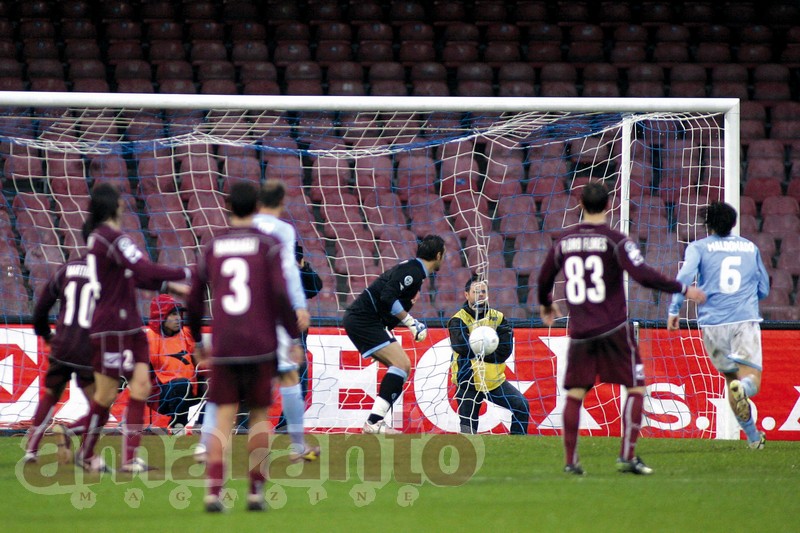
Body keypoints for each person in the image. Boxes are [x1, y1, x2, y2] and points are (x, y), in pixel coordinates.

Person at [537, 181, 706, 476]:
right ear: (608, 205)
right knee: (636, 387)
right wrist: (682, 289)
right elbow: (642, 275)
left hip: (580, 331)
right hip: (614, 327)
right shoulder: (616, 240)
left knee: (576, 394)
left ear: (579, 206)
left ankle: (571, 461)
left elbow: (543, 277)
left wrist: (546, 303)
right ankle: (627, 455)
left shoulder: (563, 240)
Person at [186, 181, 301, 512]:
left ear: (227, 206)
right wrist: (292, 337)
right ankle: (254, 492)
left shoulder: (213, 244)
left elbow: (194, 296)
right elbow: (280, 294)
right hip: (261, 344)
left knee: (223, 417)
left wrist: (196, 339)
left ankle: (213, 493)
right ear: (256, 207)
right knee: (259, 418)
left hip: (224, 343)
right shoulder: (269, 243)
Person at [196, 179, 317, 464]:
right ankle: (297, 445)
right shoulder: (282, 232)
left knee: (223, 382)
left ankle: (204, 444)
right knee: (287, 376)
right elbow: (287, 272)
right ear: (282, 202)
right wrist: (298, 306)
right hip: (270, 314)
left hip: (234, 316)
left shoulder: (236, 231)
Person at [73, 183, 191, 473]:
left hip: (130, 326)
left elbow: (138, 279)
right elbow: (145, 270)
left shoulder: (102, 240)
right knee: (107, 394)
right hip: (112, 326)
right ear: (115, 206)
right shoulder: (109, 237)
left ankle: (129, 459)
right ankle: (86, 452)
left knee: (141, 385)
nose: (125, 205)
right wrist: (191, 272)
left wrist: (172, 286)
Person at [667, 201, 769, 450]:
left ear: (707, 224)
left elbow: (684, 277)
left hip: (712, 325)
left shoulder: (698, 247)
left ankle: (754, 438)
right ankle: (744, 390)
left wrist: (673, 309)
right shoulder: (749, 247)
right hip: (743, 320)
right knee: (749, 380)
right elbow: (763, 289)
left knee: (730, 378)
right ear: (733, 223)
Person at [343, 234, 445, 434]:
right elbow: (387, 296)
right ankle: (374, 423)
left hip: (368, 321)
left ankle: (375, 422)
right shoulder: (412, 272)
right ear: (439, 255)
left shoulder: (414, 272)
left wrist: (388, 333)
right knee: (401, 364)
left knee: (402, 365)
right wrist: (411, 322)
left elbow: (387, 303)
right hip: (363, 319)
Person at [25, 242, 95, 463]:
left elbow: (41, 307)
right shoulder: (108, 275)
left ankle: (31, 450)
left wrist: (46, 336)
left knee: (51, 394)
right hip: (88, 345)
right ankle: (82, 449)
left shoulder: (67, 268)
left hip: (62, 342)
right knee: (99, 404)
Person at [448, 275, 529, 435]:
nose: (480, 294)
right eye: (476, 291)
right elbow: (461, 347)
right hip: (467, 382)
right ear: (466, 294)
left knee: (521, 405)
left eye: (483, 291)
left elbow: (504, 351)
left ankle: (517, 447)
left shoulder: (498, 318)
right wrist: (489, 352)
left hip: (494, 382)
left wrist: (479, 353)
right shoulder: (458, 320)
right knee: (468, 431)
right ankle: (467, 457)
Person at [275, 242, 323, 432]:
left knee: (298, 385)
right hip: (269, 336)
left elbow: (315, 287)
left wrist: (303, 268)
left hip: (294, 339)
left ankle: (284, 427)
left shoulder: (300, 278)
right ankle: (240, 426)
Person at [146, 293, 203, 433]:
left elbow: (200, 361)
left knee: (221, 382)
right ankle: (177, 428)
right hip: (161, 394)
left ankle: (202, 424)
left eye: (178, 314)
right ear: (160, 316)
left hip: (190, 388)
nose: (178, 318)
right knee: (181, 384)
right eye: (172, 314)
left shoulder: (186, 333)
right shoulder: (150, 337)